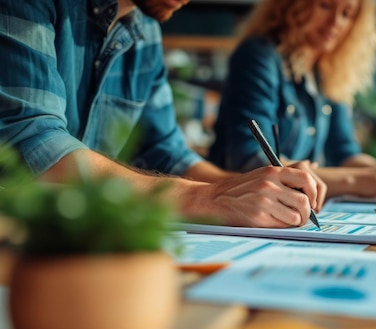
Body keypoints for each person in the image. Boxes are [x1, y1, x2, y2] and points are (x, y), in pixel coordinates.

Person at [0, 0, 324, 228]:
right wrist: (210, 198)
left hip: (82, 241)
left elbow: (166, 152)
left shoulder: (145, 29)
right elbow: (34, 144)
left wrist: (252, 187)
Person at [207, 0, 376, 200]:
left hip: (290, 206)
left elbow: (344, 153)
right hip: (238, 205)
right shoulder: (259, 56)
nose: (336, 22)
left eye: (347, 13)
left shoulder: (327, 72)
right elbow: (252, 161)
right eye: (325, 6)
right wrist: (355, 180)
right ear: (293, 6)